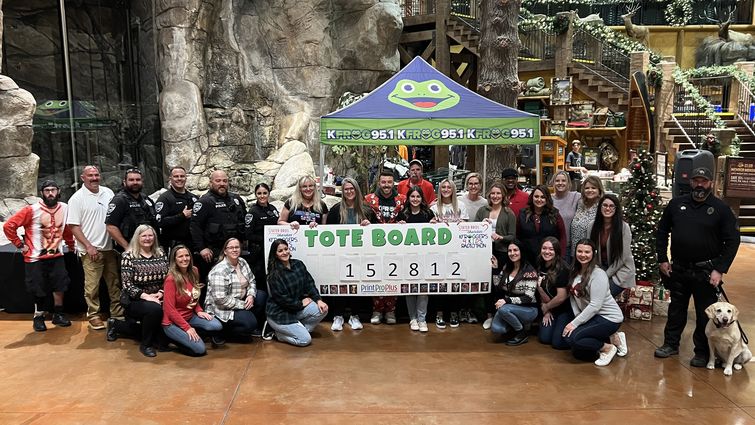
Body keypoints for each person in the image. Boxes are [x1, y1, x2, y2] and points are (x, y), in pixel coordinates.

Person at [654, 167, 740, 367]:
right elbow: (662, 231)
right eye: (696, 180)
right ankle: (670, 344)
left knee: (705, 314)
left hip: (706, 273)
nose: (700, 184)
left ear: (711, 183)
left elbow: (733, 241)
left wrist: (719, 269)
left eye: (704, 181)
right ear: (691, 182)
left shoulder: (721, 209)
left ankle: (701, 352)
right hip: (679, 269)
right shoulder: (676, 204)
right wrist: (662, 259)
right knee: (676, 310)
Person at [3, 180, 75, 331]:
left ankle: (58, 314)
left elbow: (67, 228)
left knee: (60, 284)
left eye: (53, 190)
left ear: (58, 191)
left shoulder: (65, 208)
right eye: (47, 190)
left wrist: (70, 244)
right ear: (42, 193)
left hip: (57, 255)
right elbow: (9, 226)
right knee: (38, 287)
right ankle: (39, 316)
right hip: (35, 257)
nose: (50, 193)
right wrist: (20, 245)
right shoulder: (31, 210)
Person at [66, 165, 122, 330]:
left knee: (114, 284)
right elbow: (73, 226)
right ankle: (93, 315)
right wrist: (89, 247)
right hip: (91, 251)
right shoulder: (77, 199)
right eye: (90, 175)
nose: (94, 178)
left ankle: (117, 314)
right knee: (92, 287)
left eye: (96, 175)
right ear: (83, 177)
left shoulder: (108, 193)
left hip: (109, 249)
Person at [109, 224, 169, 357]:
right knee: (154, 309)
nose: (147, 238)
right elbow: (127, 285)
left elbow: (168, 279)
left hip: (158, 297)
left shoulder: (161, 253)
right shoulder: (128, 256)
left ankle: (117, 325)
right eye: (144, 236)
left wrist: (161, 293)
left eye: (150, 235)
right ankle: (146, 345)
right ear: (137, 237)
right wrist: (147, 297)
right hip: (134, 299)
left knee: (164, 339)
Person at [563, 239, 626, 366]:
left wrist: (574, 324)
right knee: (579, 353)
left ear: (593, 253)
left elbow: (595, 305)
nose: (583, 255)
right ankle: (614, 338)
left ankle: (608, 348)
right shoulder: (574, 271)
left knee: (572, 338)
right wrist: (577, 318)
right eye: (579, 251)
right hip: (594, 317)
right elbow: (573, 296)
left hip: (609, 318)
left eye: (587, 252)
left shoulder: (598, 274)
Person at [325, 178, 375, 331]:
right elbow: (327, 233)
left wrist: (369, 226)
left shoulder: (366, 210)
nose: (349, 192)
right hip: (340, 256)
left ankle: (355, 315)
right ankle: (338, 315)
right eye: (346, 189)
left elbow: (377, 232)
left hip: (360, 256)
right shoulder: (335, 210)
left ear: (356, 190)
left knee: (356, 285)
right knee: (339, 285)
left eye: (351, 188)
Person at [162, 244, 223, 356]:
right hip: (172, 323)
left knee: (216, 325)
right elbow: (169, 310)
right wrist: (187, 328)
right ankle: (172, 338)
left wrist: (199, 310)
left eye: (187, 255)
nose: (184, 259)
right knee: (200, 350)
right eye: (180, 256)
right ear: (174, 260)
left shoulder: (194, 271)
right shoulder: (171, 279)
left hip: (190, 316)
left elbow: (194, 294)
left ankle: (189, 335)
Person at [265, 239, 328, 347]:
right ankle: (279, 334)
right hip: (279, 314)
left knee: (322, 309)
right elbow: (282, 300)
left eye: (286, 249)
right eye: (280, 251)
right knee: (305, 340)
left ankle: (298, 330)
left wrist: (318, 300)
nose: (284, 252)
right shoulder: (274, 275)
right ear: (275, 254)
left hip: (294, 310)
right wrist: (300, 304)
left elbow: (309, 283)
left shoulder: (298, 264)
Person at [206, 238, 268, 342]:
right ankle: (223, 333)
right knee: (250, 323)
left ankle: (245, 327)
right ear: (225, 251)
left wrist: (251, 296)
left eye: (237, 247)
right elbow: (221, 299)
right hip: (222, 308)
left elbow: (252, 280)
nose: (234, 250)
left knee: (261, 295)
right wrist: (244, 305)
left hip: (240, 298)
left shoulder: (242, 262)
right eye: (231, 247)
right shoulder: (219, 270)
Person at [364, 170, 406, 324]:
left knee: (393, 277)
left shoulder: (401, 200)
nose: (386, 185)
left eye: (389, 182)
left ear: (393, 182)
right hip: (374, 247)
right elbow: (364, 218)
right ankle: (376, 310)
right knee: (376, 277)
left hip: (396, 248)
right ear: (379, 183)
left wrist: (403, 223)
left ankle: (390, 311)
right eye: (383, 182)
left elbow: (408, 218)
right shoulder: (369, 199)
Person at [474, 182, 516, 329]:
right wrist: (481, 225)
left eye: (498, 193)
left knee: (499, 284)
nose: (495, 196)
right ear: (489, 195)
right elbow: (472, 231)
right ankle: (489, 315)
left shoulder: (508, 213)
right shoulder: (482, 211)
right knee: (487, 285)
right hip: (484, 253)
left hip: (502, 253)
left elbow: (513, 236)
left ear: (503, 195)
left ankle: (500, 314)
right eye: (493, 193)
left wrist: (501, 237)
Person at [191, 170, 247, 277]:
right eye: (218, 181)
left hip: (235, 250)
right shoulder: (204, 202)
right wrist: (202, 248)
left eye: (225, 181)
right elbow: (195, 227)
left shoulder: (236, 199)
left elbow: (244, 221)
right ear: (210, 183)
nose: (222, 183)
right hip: (214, 251)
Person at [398, 186, 437, 333]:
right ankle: (412, 318)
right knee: (410, 289)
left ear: (422, 198)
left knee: (423, 289)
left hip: (425, 258)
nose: (415, 199)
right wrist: (399, 226)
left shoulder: (428, 213)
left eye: (418, 197)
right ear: (408, 198)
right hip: (407, 257)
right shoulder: (403, 214)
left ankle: (422, 319)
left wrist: (434, 226)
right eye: (412, 197)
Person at [430, 179, 468, 328]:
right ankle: (439, 313)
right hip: (439, 252)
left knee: (455, 283)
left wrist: (463, 224)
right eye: (443, 187)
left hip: (457, 251)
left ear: (453, 189)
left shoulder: (461, 206)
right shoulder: (434, 207)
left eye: (448, 187)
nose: (446, 189)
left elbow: (466, 226)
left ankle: (453, 312)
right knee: (440, 283)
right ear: (439, 190)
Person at [489, 239, 539, 346]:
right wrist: (496, 270)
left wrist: (506, 300)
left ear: (521, 251)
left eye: (515, 250)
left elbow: (528, 298)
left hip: (528, 308)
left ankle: (522, 332)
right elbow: (498, 287)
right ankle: (515, 324)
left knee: (503, 309)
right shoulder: (507, 267)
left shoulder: (530, 271)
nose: (512, 253)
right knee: (497, 329)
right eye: (510, 251)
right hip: (510, 307)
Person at [589, 194, 635, 297]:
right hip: (600, 267)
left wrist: (605, 275)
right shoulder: (592, 226)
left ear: (616, 209)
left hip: (621, 270)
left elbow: (622, 258)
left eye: (611, 206)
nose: (607, 208)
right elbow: (590, 250)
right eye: (604, 205)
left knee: (602, 294)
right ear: (600, 207)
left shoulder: (624, 228)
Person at [105, 168, 158, 252]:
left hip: (148, 248)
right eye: (131, 180)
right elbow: (111, 227)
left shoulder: (146, 199)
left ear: (142, 181)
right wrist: (127, 247)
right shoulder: (119, 200)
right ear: (124, 182)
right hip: (129, 249)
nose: (135, 182)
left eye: (138, 180)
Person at [536, 237, 572, 350]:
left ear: (556, 251)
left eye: (551, 249)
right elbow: (540, 288)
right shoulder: (540, 263)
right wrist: (545, 310)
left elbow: (561, 297)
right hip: (550, 308)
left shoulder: (562, 268)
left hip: (564, 309)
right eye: (544, 248)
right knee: (544, 338)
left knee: (557, 343)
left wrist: (546, 307)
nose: (547, 252)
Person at [516, 185, 566, 265]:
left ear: (547, 199)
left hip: (549, 260)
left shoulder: (555, 214)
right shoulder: (523, 214)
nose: (539, 199)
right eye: (536, 196)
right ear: (532, 197)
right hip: (527, 260)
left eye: (543, 197)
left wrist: (561, 257)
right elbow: (517, 236)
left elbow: (562, 237)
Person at [244, 183, 279, 288]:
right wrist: (265, 238)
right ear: (256, 195)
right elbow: (248, 235)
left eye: (265, 193)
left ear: (268, 194)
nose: (262, 196)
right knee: (262, 278)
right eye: (259, 193)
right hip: (259, 253)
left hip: (273, 249)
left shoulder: (273, 208)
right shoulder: (252, 212)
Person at [155, 166, 198, 251]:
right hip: (173, 245)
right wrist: (182, 216)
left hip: (192, 244)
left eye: (182, 176)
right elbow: (160, 222)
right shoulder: (164, 199)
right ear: (170, 179)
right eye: (176, 176)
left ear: (186, 178)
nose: (179, 179)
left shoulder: (193, 198)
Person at [569, 175, 604, 260]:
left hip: (591, 256)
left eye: (593, 188)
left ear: (599, 190)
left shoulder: (602, 207)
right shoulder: (580, 204)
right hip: (575, 253)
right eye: (587, 188)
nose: (590, 190)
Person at [550, 171, 581, 254]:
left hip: (570, 246)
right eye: (557, 181)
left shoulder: (576, 197)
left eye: (563, 181)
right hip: (552, 246)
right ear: (553, 182)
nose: (560, 183)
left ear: (568, 183)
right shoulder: (548, 199)